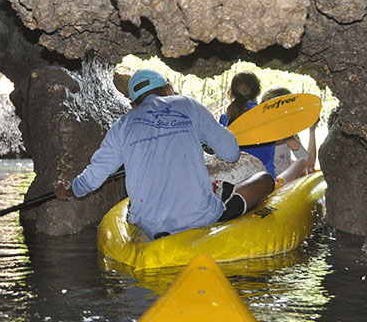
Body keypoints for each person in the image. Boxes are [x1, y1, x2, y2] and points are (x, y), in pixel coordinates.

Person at [54, 69, 274, 240]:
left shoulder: (122, 125)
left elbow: (93, 176)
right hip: (201, 218)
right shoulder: (188, 104)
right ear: (168, 90)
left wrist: (71, 189)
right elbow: (231, 153)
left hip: (150, 226)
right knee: (265, 180)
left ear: (133, 104)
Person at [219, 71, 276, 177]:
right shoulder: (269, 116)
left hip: (236, 179)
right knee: (300, 163)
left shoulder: (225, 118)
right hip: (266, 179)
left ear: (231, 94)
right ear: (258, 92)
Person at [261, 86, 318, 178]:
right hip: (278, 183)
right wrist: (312, 130)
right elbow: (310, 163)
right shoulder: (287, 136)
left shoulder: (267, 129)